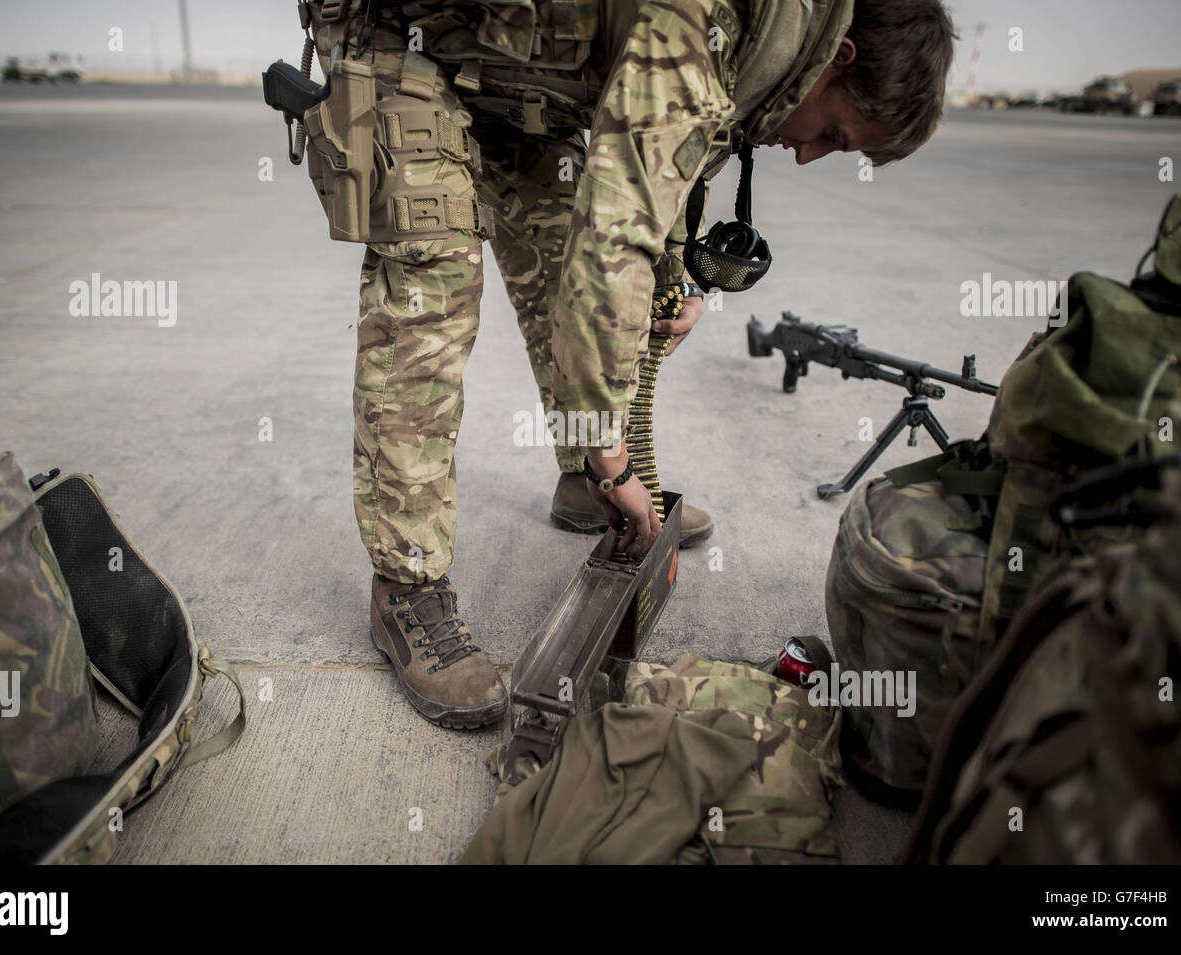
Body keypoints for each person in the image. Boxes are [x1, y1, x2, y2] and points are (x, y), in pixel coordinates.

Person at [292, 0, 956, 729]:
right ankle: (406, 585)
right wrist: (617, 452)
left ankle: (585, 482)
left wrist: (674, 280)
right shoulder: (707, 13)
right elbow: (615, 238)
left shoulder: (762, 40)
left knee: (562, 270)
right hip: (399, 40)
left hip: (519, 85)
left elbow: (654, 174)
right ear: (842, 56)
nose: (808, 153)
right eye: (834, 132)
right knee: (433, 284)